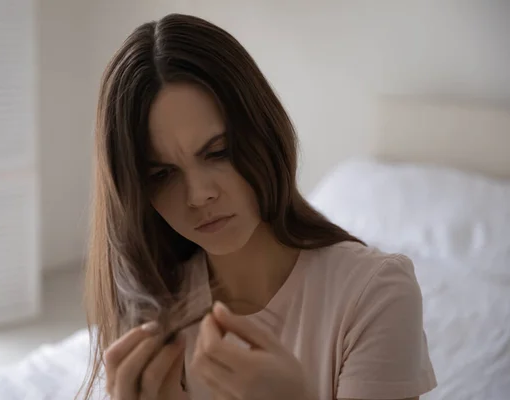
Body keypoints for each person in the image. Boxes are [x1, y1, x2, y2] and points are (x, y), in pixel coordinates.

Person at [80, 13, 437, 400]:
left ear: (265, 134)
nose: (198, 195)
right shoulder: (153, 305)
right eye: (163, 174)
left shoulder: (375, 293)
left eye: (218, 152)